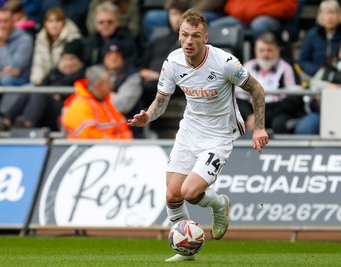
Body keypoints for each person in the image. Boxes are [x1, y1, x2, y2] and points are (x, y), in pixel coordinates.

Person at [128, 8, 269, 262]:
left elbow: (257, 89)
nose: (188, 41)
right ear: (178, 35)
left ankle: (219, 205)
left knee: (191, 193)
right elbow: (161, 101)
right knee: (172, 195)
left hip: (219, 135)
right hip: (189, 131)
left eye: (195, 36)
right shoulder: (172, 62)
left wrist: (258, 127)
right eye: (184, 35)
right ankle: (185, 251)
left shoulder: (225, 63)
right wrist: (148, 116)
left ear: (206, 37)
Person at [0, 39, 85, 131]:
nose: (68, 63)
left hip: (64, 112)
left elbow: (80, 96)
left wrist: (58, 94)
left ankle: (27, 124)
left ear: (79, 61)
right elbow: (41, 85)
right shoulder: (55, 73)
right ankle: (6, 122)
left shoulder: (82, 76)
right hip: (46, 108)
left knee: (41, 93)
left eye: (72, 59)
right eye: (65, 59)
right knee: (32, 90)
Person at [236, 32, 305, 134]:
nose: (265, 54)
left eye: (269, 50)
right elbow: (239, 98)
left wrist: (262, 117)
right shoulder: (247, 67)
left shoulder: (286, 68)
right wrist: (250, 116)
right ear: (255, 51)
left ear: (278, 51)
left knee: (279, 123)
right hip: (251, 109)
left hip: (278, 110)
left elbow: (293, 101)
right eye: (262, 50)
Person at [61, 65, 133, 140]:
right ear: (99, 85)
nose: (112, 85)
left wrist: (124, 141)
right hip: (88, 150)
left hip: (113, 148)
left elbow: (122, 127)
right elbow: (91, 137)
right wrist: (118, 141)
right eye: (108, 82)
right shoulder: (79, 106)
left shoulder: (104, 101)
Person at [295, 42, 341, 134]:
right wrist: (328, 87)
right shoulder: (328, 67)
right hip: (322, 112)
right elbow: (313, 84)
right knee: (304, 129)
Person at [30, 7, 82, 86]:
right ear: (45, 23)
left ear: (64, 22)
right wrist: (38, 82)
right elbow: (38, 64)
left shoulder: (73, 39)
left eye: (58, 21)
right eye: (50, 21)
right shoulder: (40, 39)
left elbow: (65, 67)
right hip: (44, 82)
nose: (54, 25)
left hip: (64, 82)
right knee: (26, 92)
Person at [102, 39, 143, 137]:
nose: (113, 58)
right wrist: (111, 96)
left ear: (123, 58)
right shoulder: (96, 73)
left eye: (117, 55)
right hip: (100, 128)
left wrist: (102, 96)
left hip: (127, 132)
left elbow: (121, 105)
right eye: (109, 54)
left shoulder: (133, 77)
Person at [209, 0, 297, 40]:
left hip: (271, 19)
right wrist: (242, 12)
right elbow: (230, 6)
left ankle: (258, 57)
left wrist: (262, 11)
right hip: (242, 19)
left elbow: (290, 8)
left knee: (259, 24)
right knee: (214, 27)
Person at [83, 1, 137, 67]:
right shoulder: (89, 42)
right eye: (101, 22)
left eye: (110, 22)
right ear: (96, 24)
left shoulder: (128, 39)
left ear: (117, 22)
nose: (105, 26)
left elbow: (133, 61)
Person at [142, 0, 225, 42]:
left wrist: (188, 13)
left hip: (207, 11)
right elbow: (169, 3)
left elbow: (212, 2)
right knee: (152, 17)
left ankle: (192, 46)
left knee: (198, 18)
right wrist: (173, 11)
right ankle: (157, 52)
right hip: (180, 10)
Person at [298, 0, 341, 77]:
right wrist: (318, 71)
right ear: (321, 16)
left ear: (339, 15)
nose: (330, 17)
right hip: (316, 77)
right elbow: (303, 61)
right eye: (327, 13)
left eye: (333, 13)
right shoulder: (312, 35)